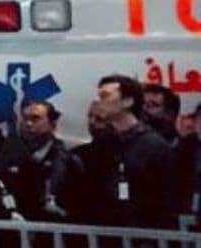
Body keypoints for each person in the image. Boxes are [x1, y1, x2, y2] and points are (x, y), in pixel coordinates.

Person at [64, 75, 178, 229]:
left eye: (105, 96)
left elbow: (164, 202)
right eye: (99, 96)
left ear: (128, 101)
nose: (99, 102)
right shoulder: (101, 145)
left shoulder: (154, 146)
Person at [0, 100, 69, 221]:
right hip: (15, 227)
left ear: (52, 124)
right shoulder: (8, 153)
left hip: (53, 228)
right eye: (25, 119)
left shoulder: (65, 159)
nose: (28, 123)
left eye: (35, 118)